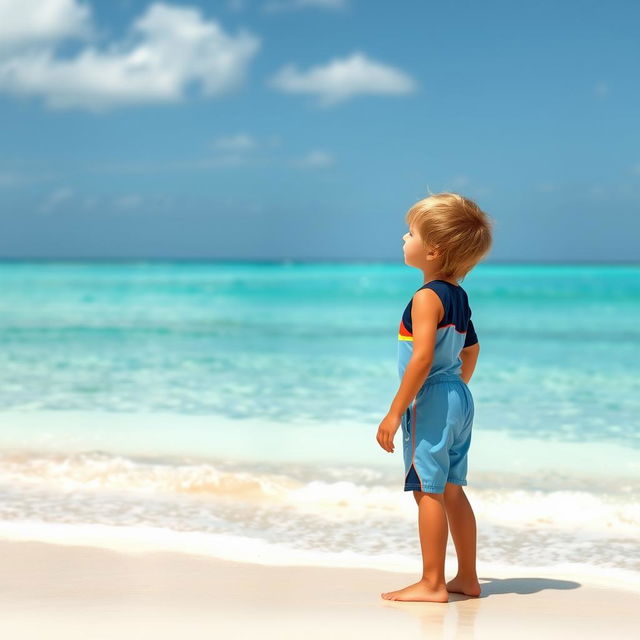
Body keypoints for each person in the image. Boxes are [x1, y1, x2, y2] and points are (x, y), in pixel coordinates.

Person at [377, 192, 493, 603]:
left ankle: (432, 583)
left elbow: (422, 357)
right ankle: (467, 577)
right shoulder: (458, 297)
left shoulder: (425, 298)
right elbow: (472, 350)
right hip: (459, 396)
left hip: (431, 398)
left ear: (432, 250)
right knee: (453, 489)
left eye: (410, 233)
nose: (403, 238)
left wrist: (395, 411)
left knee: (427, 489)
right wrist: (457, 388)